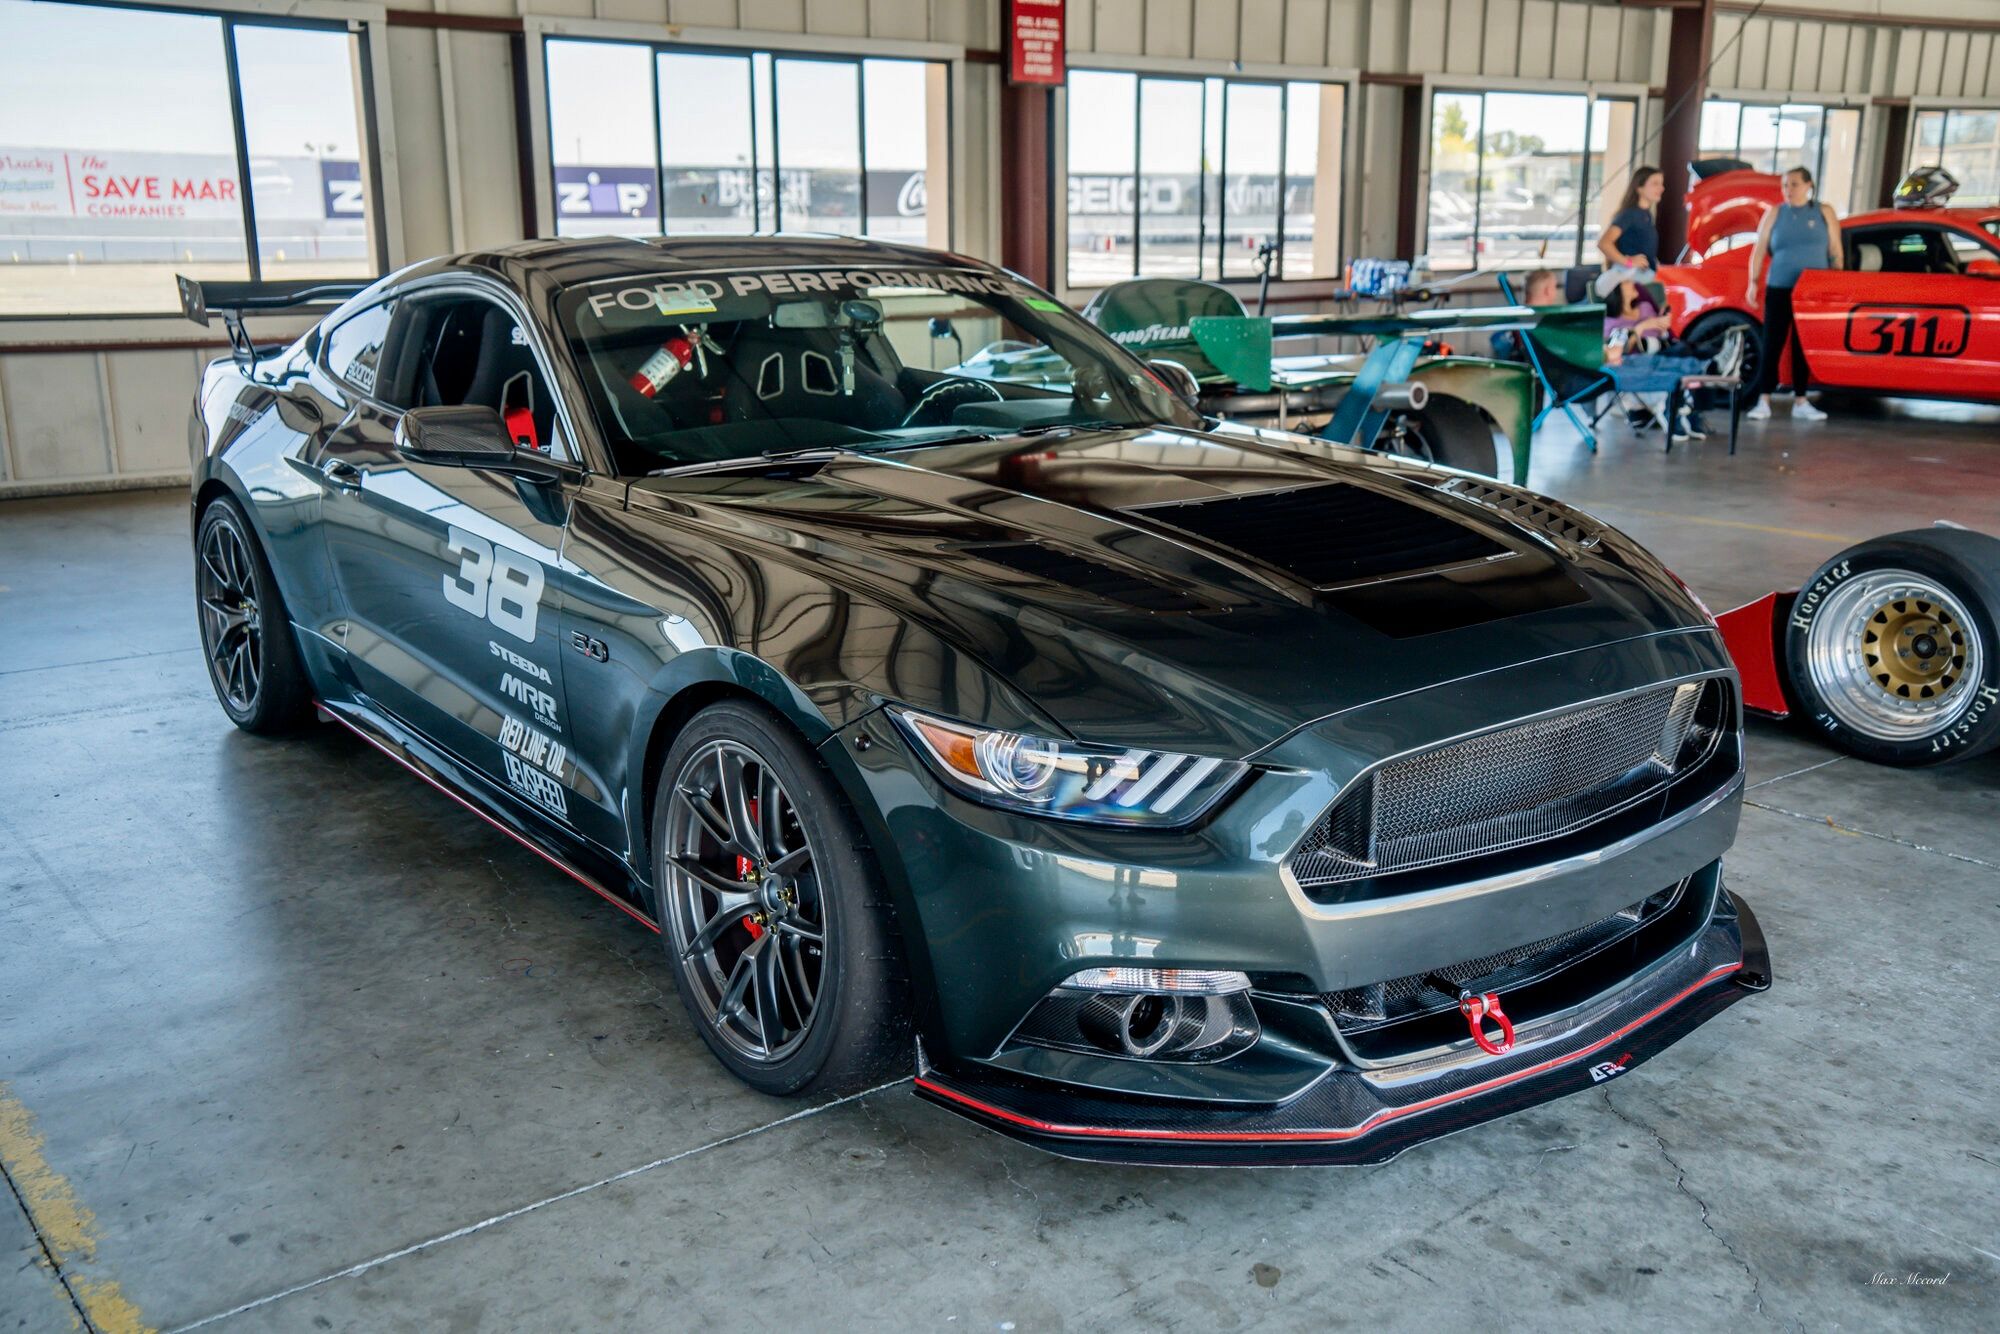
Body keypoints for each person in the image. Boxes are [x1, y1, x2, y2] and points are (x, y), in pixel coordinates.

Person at [1745, 165, 1843, 421]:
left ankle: (1801, 400)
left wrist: (1836, 283)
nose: (1788, 190)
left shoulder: (1824, 211)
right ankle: (1763, 399)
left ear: (1809, 185)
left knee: (1803, 345)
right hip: (1779, 286)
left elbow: (1835, 249)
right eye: (1785, 185)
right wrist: (1753, 282)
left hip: (1812, 292)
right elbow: (1759, 248)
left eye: (1794, 184)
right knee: (1772, 342)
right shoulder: (1775, 213)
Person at [1600, 167, 1665, 275]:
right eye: (1655, 184)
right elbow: (1604, 243)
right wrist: (1628, 262)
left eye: (1661, 184)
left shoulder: (1647, 214)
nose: (1662, 188)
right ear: (1639, 188)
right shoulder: (1630, 214)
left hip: (1647, 274)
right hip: (1633, 278)